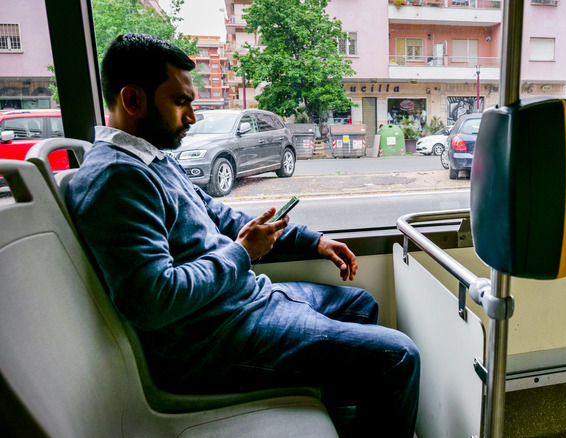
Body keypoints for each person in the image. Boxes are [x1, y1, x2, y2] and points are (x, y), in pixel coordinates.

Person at [65, 33, 420, 438]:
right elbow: (153, 300)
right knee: (399, 357)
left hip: (240, 305)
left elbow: (221, 215)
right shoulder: (117, 179)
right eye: (181, 102)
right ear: (132, 101)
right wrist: (241, 255)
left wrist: (311, 241)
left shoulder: (153, 159)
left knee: (359, 304)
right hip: (211, 344)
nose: (193, 116)